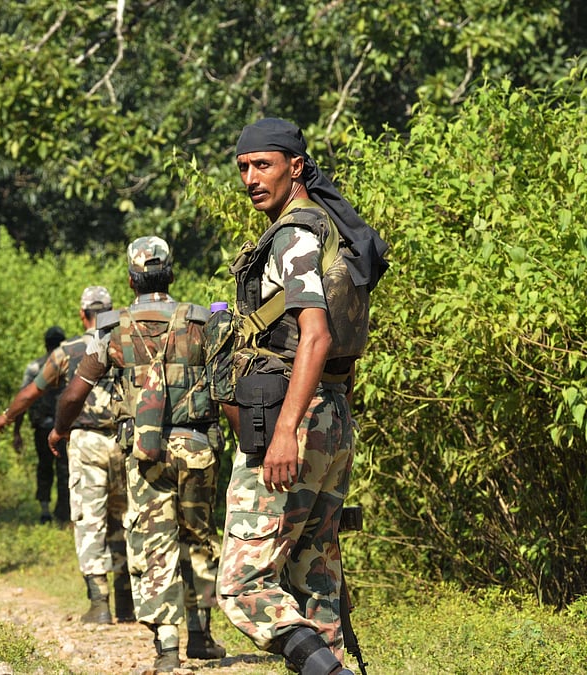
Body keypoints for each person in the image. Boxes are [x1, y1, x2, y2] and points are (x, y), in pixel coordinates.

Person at [218, 118, 387, 675]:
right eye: (243, 167)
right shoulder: (331, 228)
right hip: (332, 409)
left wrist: (288, 429)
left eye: (262, 164)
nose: (249, 177)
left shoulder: (294, 235)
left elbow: (314, 333)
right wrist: (330, 422)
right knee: (315, 573)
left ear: (295, 166)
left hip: (293, 411)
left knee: (243, 584)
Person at [52, 238, 229, 671]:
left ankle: (167, 648)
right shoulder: (202, 323)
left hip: (146, 453)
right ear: (171, 275)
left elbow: (76, 392)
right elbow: (228, 392)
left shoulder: (113, 329)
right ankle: (202, 635)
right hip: (199, 447)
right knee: (199, 538)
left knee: (154, 543)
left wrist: (59, 429)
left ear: (131, 280)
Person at [0, 287, 133, 624]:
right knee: (126, 519)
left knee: (90, 519)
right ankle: (128, 602)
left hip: (86, 440)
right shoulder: (130, 344)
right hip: (128, 438)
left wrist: (6, 417)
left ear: (82, 314)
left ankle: (99, 604)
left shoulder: (68, 350)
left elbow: (32, 391)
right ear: (112, 311)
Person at [6, 325, 69, 525]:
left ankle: (44, 510)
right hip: (64, 427)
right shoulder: (69, 365)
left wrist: (17, 432)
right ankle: (63, 512)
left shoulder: (35, 367)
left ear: (45, 344)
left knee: (44, 467)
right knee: (64, 469)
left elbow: (24, 400)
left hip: (42, 427)